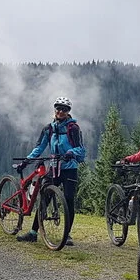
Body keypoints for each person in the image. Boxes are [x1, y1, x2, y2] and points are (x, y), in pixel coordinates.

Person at [16, 97, 85, 245]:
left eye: (64, 109)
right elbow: (39, 148)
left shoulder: (73, 128)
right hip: (54, 168)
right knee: (45, 198)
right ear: (55, 109)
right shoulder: (49, 129)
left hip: (70, 168)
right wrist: (26, 161)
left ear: (68, 112)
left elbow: (80, 149)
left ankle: (66, 235)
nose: (60, 111)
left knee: (69, 200)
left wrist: (71, 152)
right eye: (58, 108)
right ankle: (33, 233)